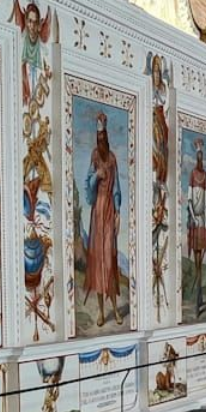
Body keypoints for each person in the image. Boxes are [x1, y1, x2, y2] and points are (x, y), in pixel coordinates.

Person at [83, 111, 122, 326]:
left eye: (102, 138)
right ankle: (101, 311)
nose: (99, 142)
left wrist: (118, 212)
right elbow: (88, 181)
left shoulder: (113, 158)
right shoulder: (94, 157)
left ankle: (115, 308)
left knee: (109, 260)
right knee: (98, 261)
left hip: (108, 212)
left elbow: (116, 187)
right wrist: (96, 177)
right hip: (97, 213)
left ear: (106, 137)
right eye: (97, 139)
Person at [185, 140, 206, 316]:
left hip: (202, 221)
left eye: (202, 155)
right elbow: (189, 200)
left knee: (201, 261)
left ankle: (199, 295)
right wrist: (194, 217)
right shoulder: (192, 174)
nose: (200, 158)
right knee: (196, 261)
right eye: (199, 155)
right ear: (197, 157)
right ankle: (197, 298)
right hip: (194, 222)